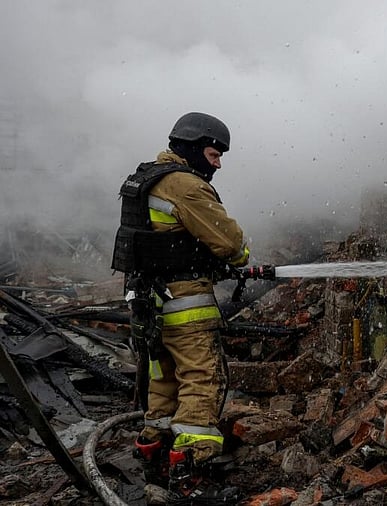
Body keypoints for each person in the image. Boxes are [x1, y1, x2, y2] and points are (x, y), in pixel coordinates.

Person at [111, 112, 249, 504]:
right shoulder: (185, 185)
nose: (218, 163)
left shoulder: (144, 178)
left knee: (163, 382)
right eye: (213, 153)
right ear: (192, 148)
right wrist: (240, 259)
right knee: (201, 380)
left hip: (149, 306)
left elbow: (162, 243)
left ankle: (154, 458)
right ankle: (193, 476)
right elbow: (230, 242)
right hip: (184, 307)